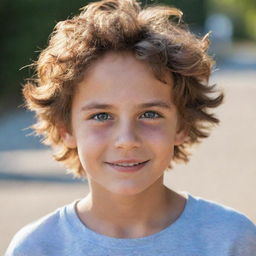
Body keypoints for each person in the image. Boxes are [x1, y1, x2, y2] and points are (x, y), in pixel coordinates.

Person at [5, 0, 256, 255]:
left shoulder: (232, 240)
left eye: (149, 114)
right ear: (65, 129)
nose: (126, 139)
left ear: (182, 125)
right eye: (101, 116)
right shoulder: (37, 247)